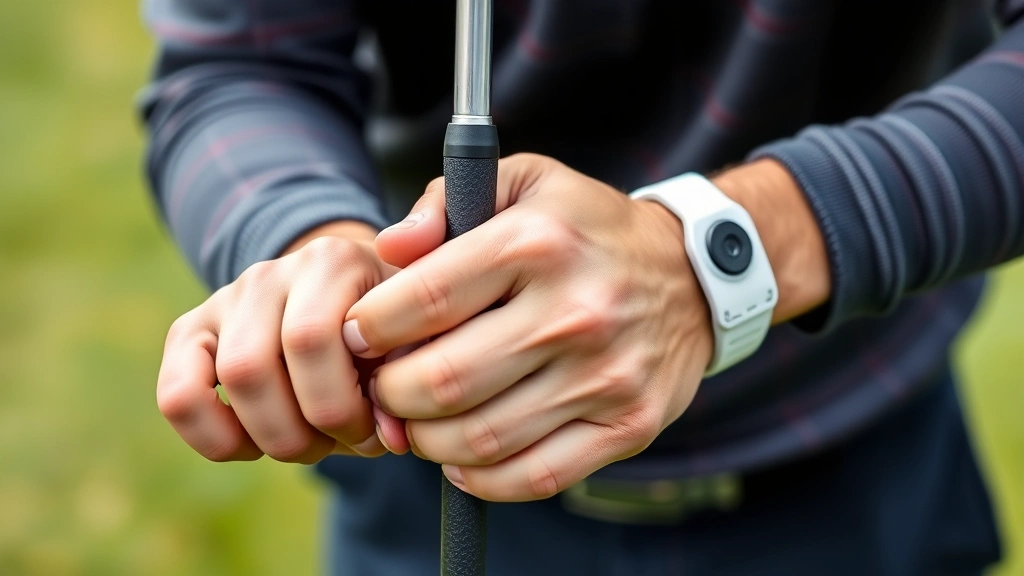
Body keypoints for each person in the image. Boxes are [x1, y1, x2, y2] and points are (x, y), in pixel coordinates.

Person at [142, 1, 1021, 574]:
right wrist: (316, 249)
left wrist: (711, 261)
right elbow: (239, 63)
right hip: (432, 481)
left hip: (855, 476)